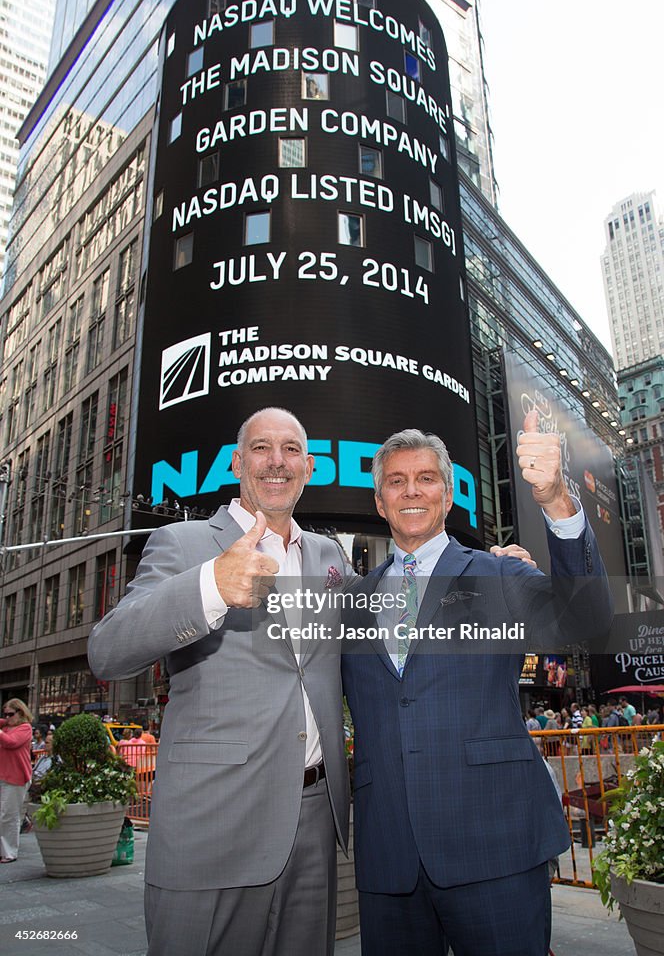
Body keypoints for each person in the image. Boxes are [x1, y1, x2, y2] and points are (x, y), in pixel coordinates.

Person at [342, 411, 613, 956]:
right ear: (379, 502)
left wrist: (557, 500)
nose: (411, 491)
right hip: (389, 856)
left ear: (447, 497)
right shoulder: (348, 603)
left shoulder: (501, 576)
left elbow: (586, 623)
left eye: (426, 479)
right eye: (396, 482)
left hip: (497, 846)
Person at [88, 408, 355, 956]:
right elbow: (108, 652)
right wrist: (210, 585)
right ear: (237, 462)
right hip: (214, 822)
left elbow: (386, 625)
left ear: (309, 466)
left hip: (314, 822)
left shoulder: (330, 555)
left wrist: (492, 575)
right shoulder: (183, 543)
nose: (276, 461)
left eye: (290, 449)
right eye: (261, 447)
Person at [0, 699, 34, 863]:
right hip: (4, 775)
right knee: (4, 813)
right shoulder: (6, 726)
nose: (7, 717)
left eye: (10, 714)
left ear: (20, 712)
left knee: (9, 815)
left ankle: (9, 852)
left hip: (16, 777)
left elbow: (11, 742)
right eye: (5, 714)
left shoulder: (25, 728)